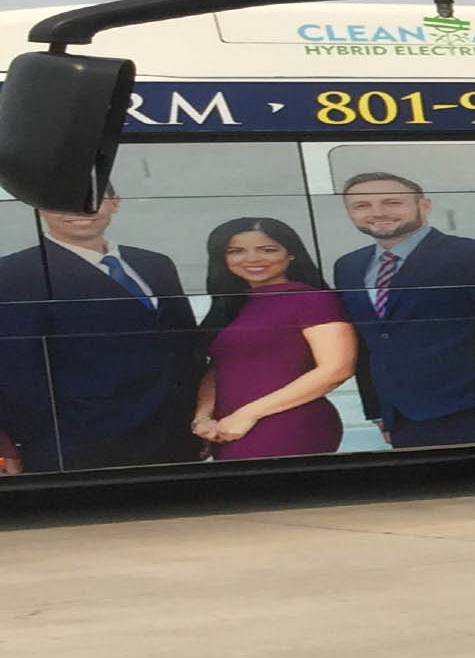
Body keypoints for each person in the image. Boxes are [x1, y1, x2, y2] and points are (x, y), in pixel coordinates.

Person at [0, 188, 208, 470]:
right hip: (84, 444)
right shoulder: (15, 272)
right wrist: (38, 440)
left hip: (175, 433)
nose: (80, 210)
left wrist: (196, 417)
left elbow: (185, 346)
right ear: (39, 208)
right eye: (63, 201)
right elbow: (16, 369)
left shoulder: (155, 264)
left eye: (93, 199)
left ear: (114, 203)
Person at [332, 171, 475, 448]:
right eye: (362, 205)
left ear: (424, 205)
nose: (377, 213)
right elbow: (367, 343)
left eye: (392, 202)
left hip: (470, 409)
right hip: (402, 417)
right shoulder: (348, 267)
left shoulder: (473, 256)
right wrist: (378, 410)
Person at [193, 219, 359, 460]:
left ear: (291, 254)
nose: (252, 259)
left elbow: (337, 369)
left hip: (287, 424)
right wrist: (203, 418)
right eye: (236, 251)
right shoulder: (232, 305)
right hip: (228, 429)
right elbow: (219, 368)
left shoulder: (313, 300)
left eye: (268, 249)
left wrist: (247, 414)